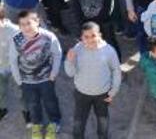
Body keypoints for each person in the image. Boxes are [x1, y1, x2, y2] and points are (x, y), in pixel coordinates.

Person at [9, 10, 63, 138]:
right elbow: (13, 60)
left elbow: (57, 53)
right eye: (22, 24)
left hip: (46, 79)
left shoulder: (49, 37)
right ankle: (36, 124)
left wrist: (53, 73)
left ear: (37, 22)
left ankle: (54, 122)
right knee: (32, 104)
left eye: (29, 23)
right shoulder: (16, 39)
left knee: (50, 101)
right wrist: (18, 80)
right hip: (26, 81)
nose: (26, 27)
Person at [64, 22, 121, 139]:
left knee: (102, 120)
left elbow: (116, 71)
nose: (90, 40)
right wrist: (69, 61)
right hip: (82, 94)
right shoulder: (77, 49)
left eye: (93, 36)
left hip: (102, 94)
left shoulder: (109, 51)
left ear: (100, 35)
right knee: (79, 121)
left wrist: (113, 92)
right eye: (86, 37)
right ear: (81, 37)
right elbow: (70, 73)